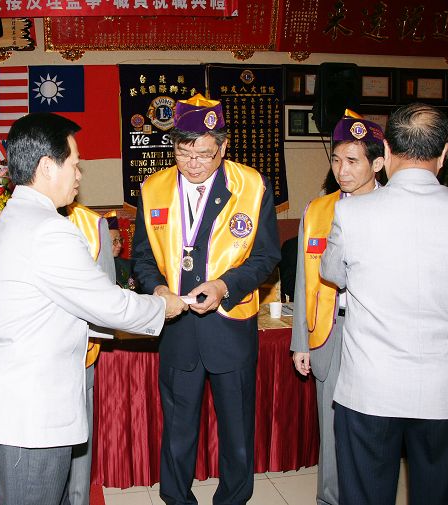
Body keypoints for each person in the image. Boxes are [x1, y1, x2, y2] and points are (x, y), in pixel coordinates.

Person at [0, 112, 184, 505]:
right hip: (31, 416)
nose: (79, 175)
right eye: (75, 164)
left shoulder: (8, 219)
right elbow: (106, 303)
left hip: (14, 408)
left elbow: (50, 307)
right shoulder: (48, 230)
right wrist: (163, 306)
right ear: (47, 167)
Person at [320, 103, 448, 505]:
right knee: (439, 494)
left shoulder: (351, 212)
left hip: (371, 386)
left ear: (387, 151)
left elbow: (333, 273)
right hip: (446, 388)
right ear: (444, 152)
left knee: (365, 494)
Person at [132, 94, 281, 505]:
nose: (192, 163)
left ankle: (233, 499)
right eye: (183, 153)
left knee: (237, 429)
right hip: (177, 327)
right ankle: (176, 498)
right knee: (177, 428)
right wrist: (157, 290)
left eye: (203, 154)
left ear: (224, 146)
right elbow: (142, 257)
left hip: (230, 326)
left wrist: (224, 286)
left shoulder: (252, 186)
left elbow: (266, 255)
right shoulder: (154, 188)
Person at [290, 111, 385, 505]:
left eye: (353, 161)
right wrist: (301, 342)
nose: (342, 170)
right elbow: (303, 281)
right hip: (329, 333)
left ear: (377, 163)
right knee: (330, 430)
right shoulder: (318, 210)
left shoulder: (394, 209)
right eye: (336, 160)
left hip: (380, 335)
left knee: (375, 429)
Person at [64, 201, 115, 505]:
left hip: (79, 358)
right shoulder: (5, 219)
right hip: (27, 363)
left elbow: (108, 298)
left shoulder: (92, 225)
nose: (78, 178)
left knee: (78, 448)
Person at [107, 215, 134, 289]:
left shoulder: (126, 265)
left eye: (120, 240)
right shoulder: (92, 267)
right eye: (115, 241)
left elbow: (132, 288)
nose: (120, 245)